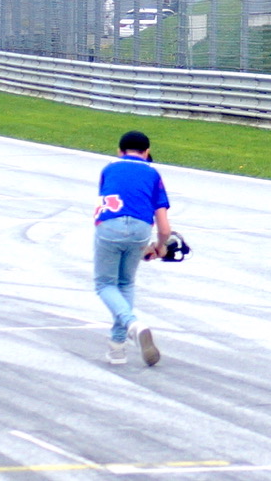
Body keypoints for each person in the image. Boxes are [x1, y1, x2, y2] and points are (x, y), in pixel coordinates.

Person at [94, 130, 170, 367]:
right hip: (140, 230)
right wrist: (159, 247)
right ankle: (117, 348)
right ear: (147, 153)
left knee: (105, 284)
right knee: (125, 283)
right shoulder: (153, 173)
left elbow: (106, 201)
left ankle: (132, 325)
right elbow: (164, 228)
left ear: (120, 151)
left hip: (110, 227)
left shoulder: (109, 168)